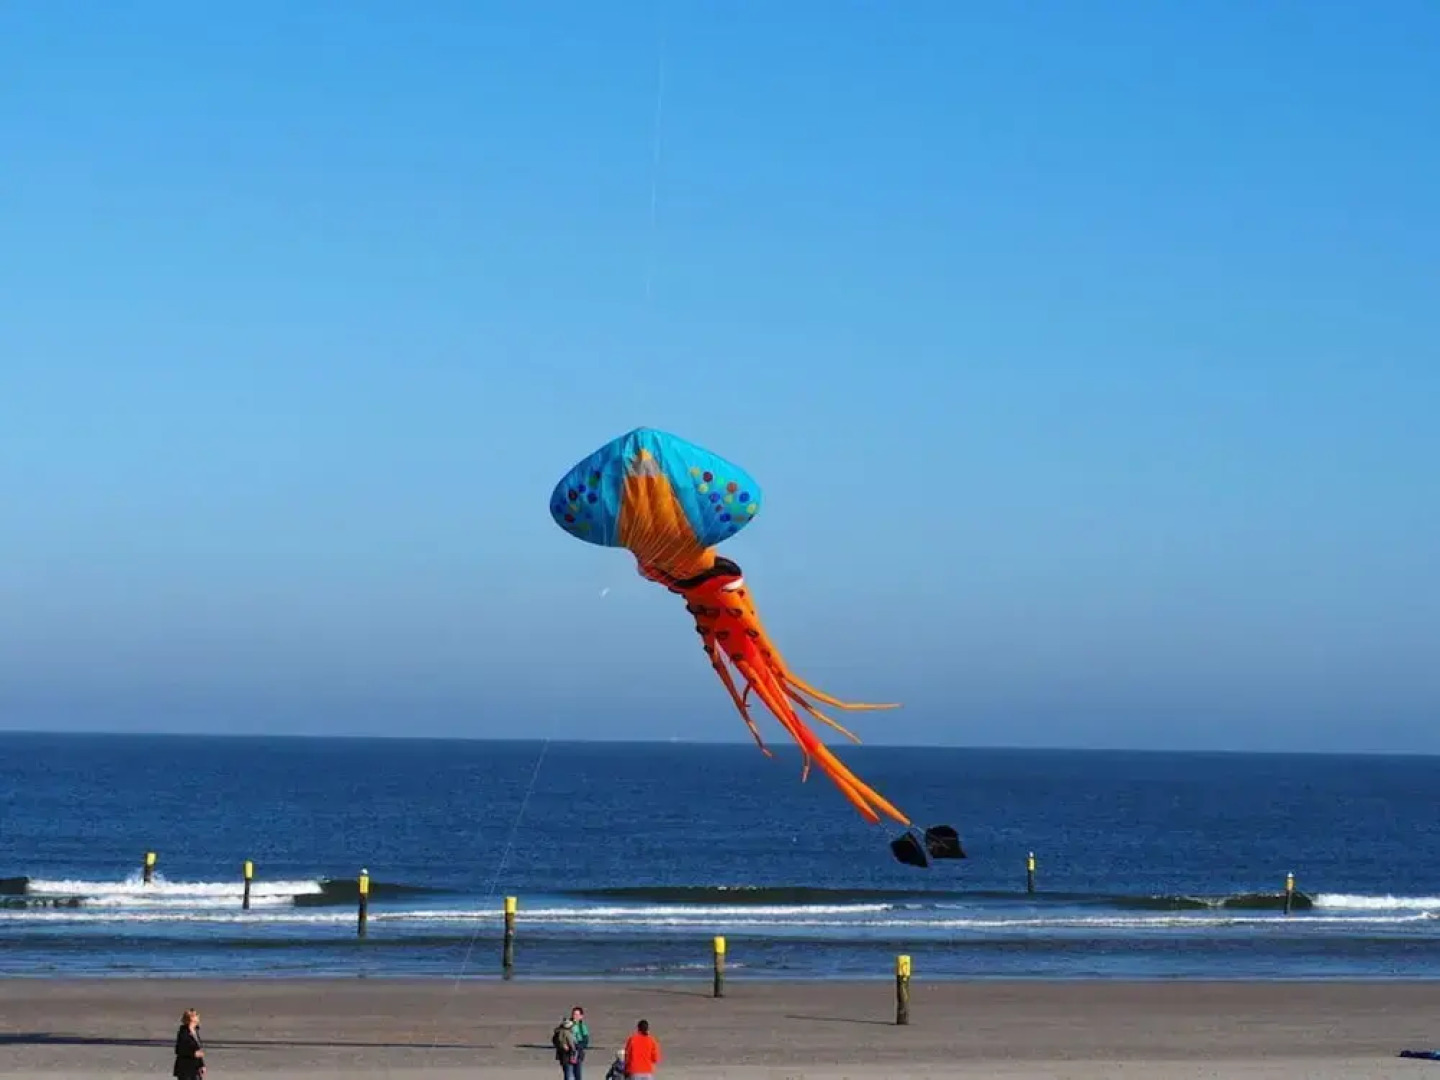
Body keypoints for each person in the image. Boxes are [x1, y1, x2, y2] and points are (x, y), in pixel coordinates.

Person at [172, 1008, 205, 1080]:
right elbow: (179, 1050)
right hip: (185, 1069)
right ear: (191, 1018)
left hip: (195, 1069)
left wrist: (202, 1065)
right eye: (196, 1015)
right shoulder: (183, 1033)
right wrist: (193, 1054)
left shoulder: (195, 1031)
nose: (198, 1017)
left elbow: (198, 1049)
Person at [570, 1006, 591, 1080]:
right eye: (574, 1014)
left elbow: (586, 1040)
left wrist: (579, 1046)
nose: (575, 1016)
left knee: (578, 1074)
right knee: (569, 1074)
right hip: (568, 1053)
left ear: (581, 1016)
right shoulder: (568, 1025)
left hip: (578, 1052)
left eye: (577, 1015)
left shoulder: (583, 1027)